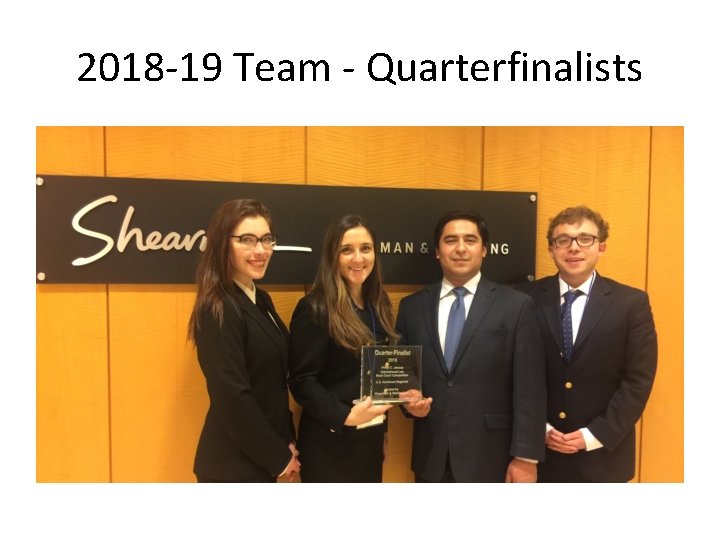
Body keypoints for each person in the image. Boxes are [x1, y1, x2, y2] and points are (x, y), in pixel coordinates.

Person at [396, 209, 546, 482]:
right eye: (450, 240)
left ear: (484, 249)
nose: (461, 248)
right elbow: (404, 376)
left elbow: (530, 388)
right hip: (432, 457)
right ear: (437, 251)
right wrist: (409, 404)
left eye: (470, 240)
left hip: (493, 457)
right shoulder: (411, 307)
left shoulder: (517, 306)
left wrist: (526, 457)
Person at [516, 205, 657, 482]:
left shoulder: (631, 304)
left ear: (601, 246)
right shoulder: (524, 299)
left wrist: (593, 435)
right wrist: (539, 430)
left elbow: (638, 381)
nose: (574, 247)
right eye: (563, 240)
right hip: (539, 454)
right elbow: (514, 373)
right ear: (551, 249)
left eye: (585, 239)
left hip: (604, 458)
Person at [188, 199, 300, 482]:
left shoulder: (260, 298)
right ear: (223, 244)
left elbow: (273, 382)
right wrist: (278, 458)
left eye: (266, 239)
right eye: (247, 240)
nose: (260, 250)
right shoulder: (217, 306)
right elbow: (233, 397)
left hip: (262, 455)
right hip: (232, 464)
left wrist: (286, 441)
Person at [288, 215, 399, 482]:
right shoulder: (316, 307)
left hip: (369, 441)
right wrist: (346, 416)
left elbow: (377, 377)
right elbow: (302, 381)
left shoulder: (379, 303)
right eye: (346, 250)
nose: (358, 258)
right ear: (332, 256)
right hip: (329, 444)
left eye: (365, 248)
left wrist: (382, 430)